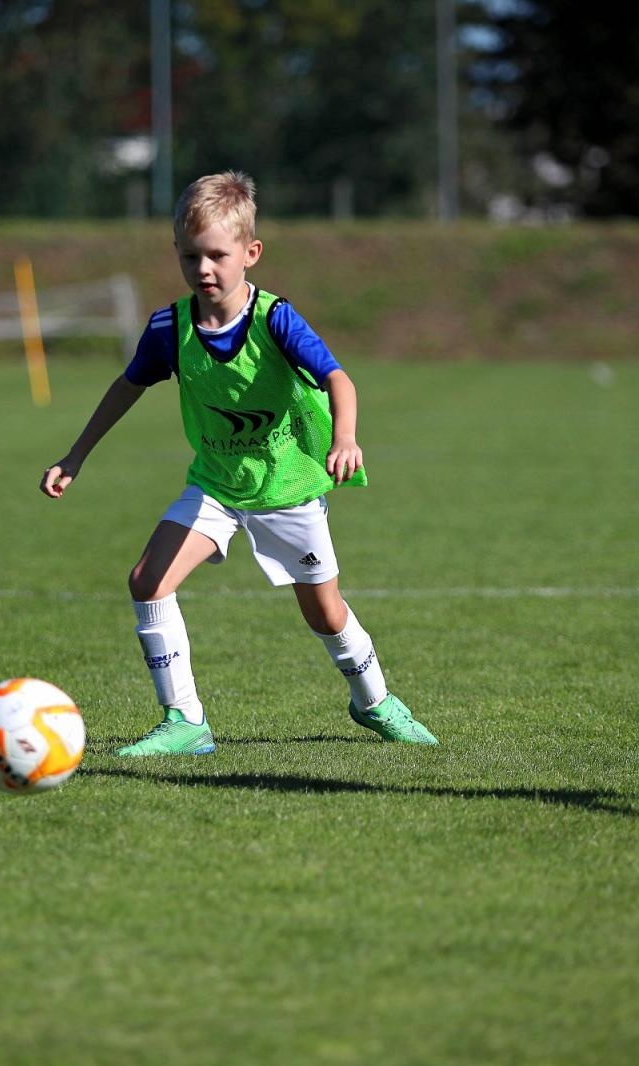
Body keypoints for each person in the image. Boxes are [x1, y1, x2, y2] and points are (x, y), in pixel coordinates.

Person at [40, 170, 436, 756]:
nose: (203, 269)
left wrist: (345, 437)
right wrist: (75, 455)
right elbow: (126, 388)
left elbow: (338, 378)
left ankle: (375, 703)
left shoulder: (276, 319)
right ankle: (185, 721)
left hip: (288, 489)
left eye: (217, 255)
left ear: (250, 254)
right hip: (217, 487)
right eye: (189, 255)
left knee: (325, 613)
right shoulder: (169, 327)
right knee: (147, 581)